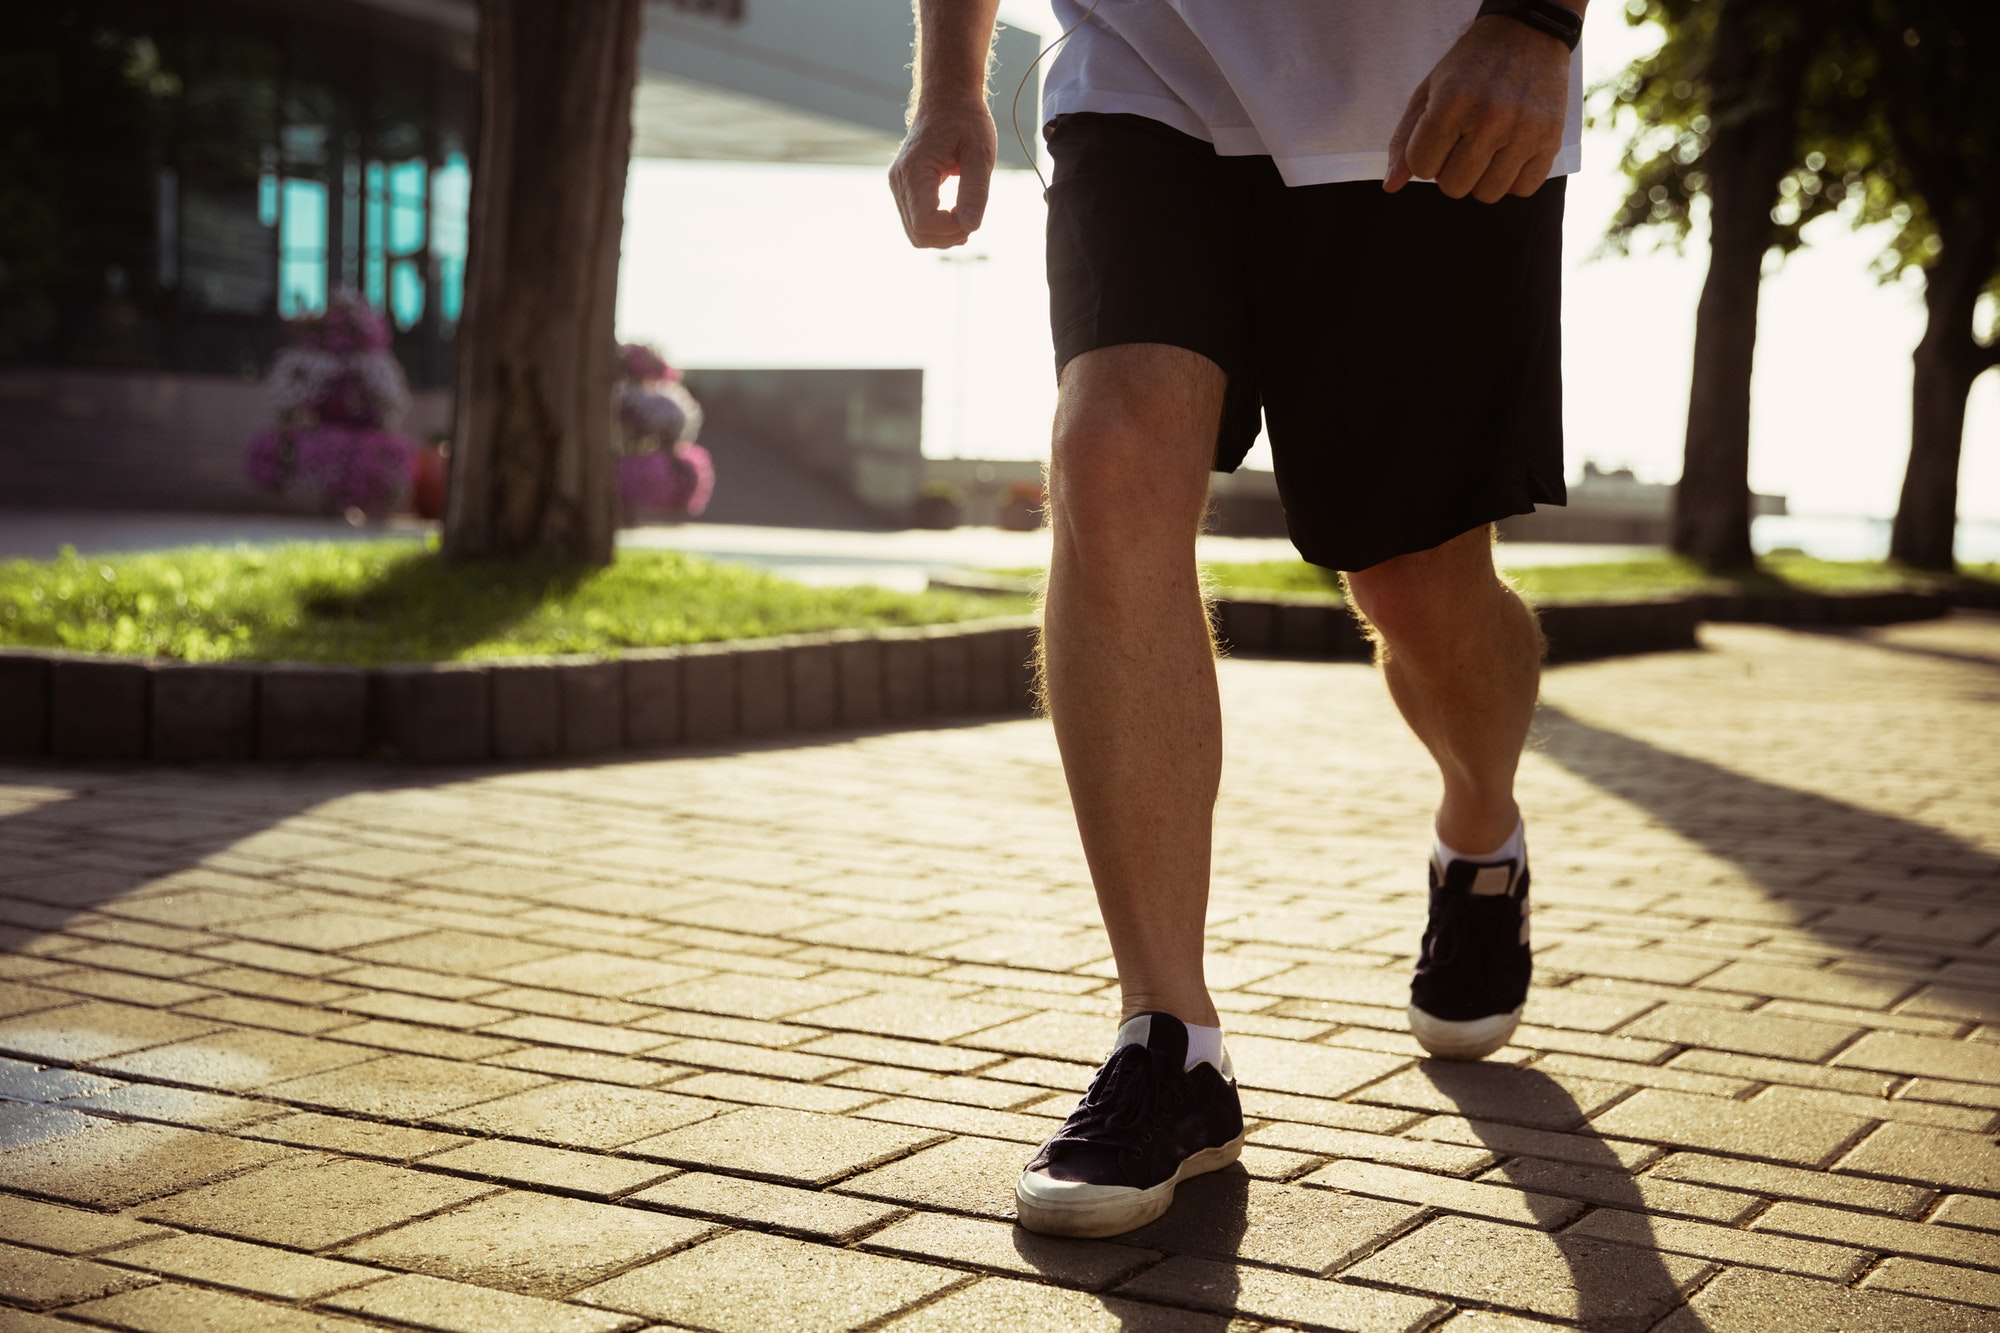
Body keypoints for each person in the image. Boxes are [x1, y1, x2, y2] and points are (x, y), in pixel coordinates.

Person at [890, 0, 1583, 1239]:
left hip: (1432, 90)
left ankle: (1479, 829)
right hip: (1139, 65)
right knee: (1107, 458)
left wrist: (1535, 25)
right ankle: (1169, 1040)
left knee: (1412, 581)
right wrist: (950, 81)